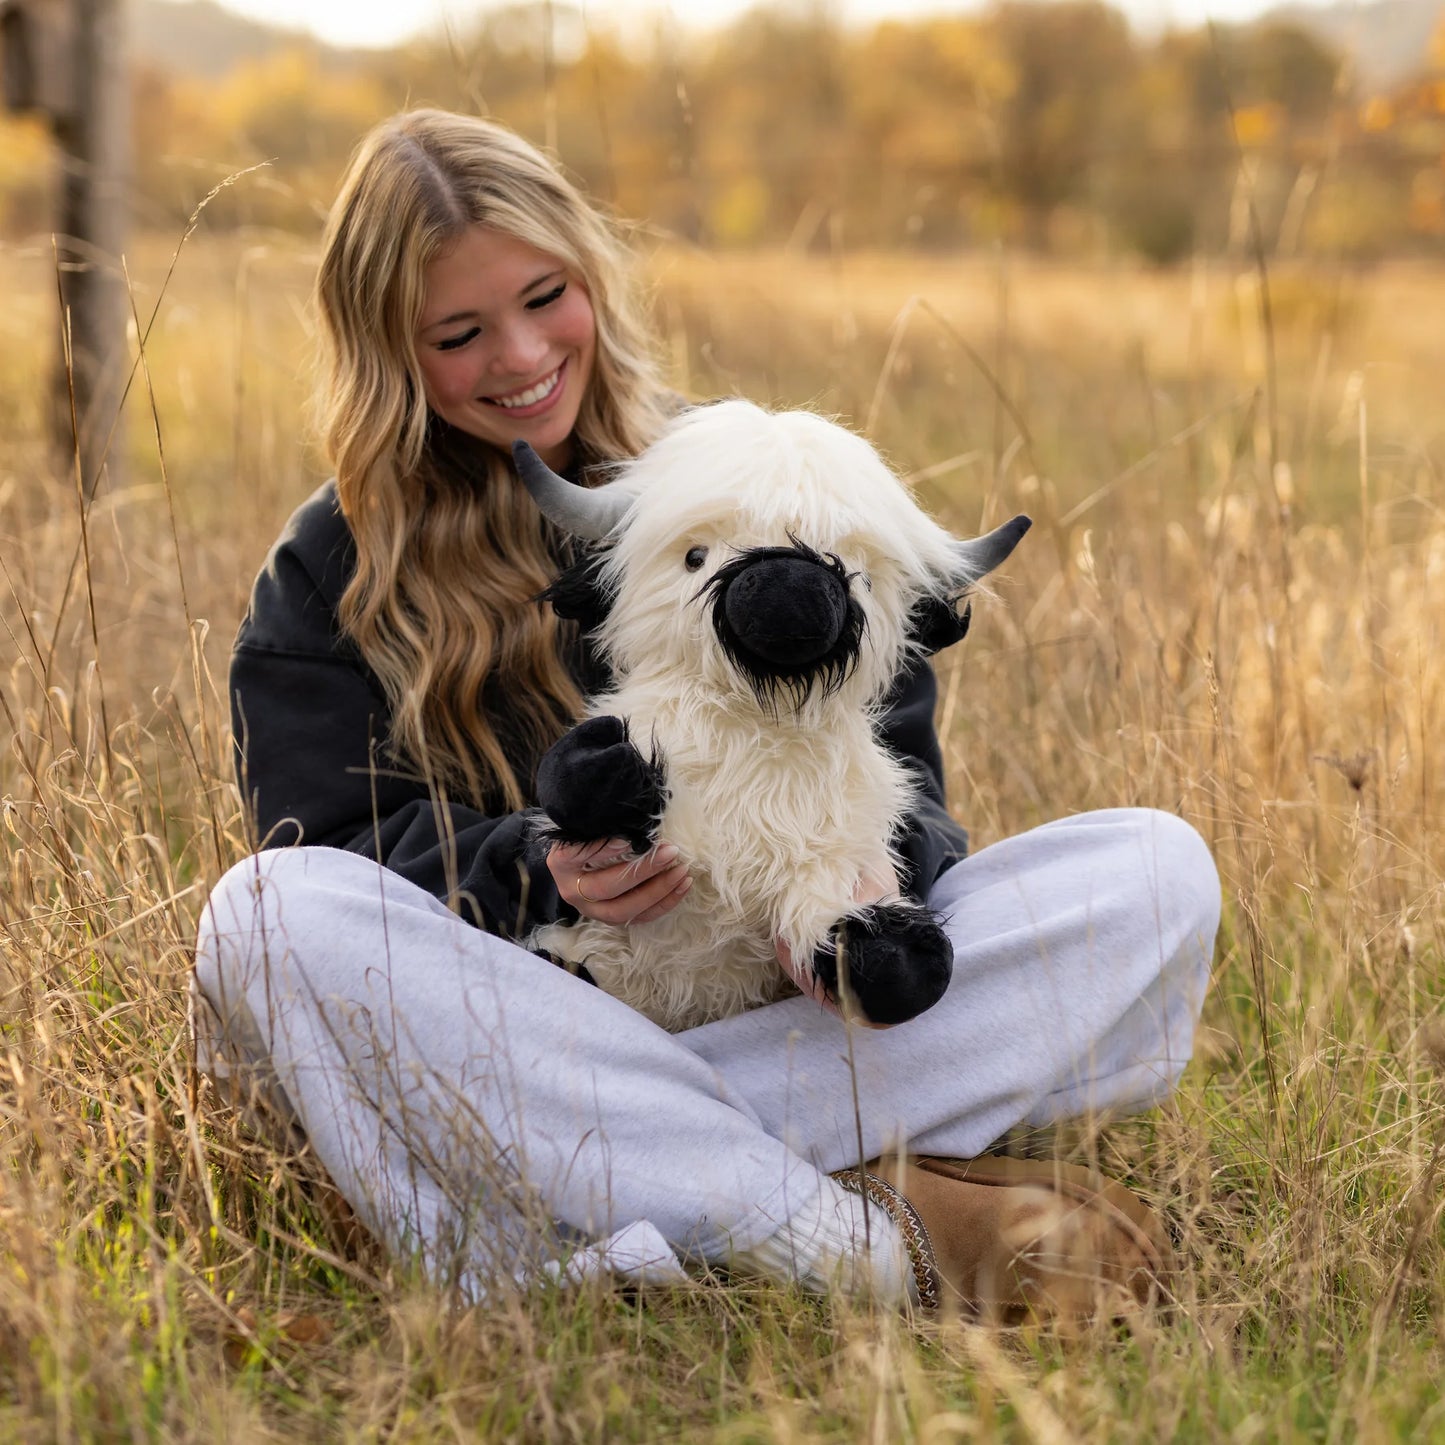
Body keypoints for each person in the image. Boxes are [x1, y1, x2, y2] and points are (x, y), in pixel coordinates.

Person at [193, 108, 1221, 1316]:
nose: (521, 355)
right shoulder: (331, 567)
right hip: (525, 1008)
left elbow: (902, 785)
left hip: (751, 1013)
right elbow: (328, 846)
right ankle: (860, 1240)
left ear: (590, 277)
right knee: (260, 915)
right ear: (387, 353)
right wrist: (539, 868)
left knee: (1154, 872)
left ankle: (580, 1210)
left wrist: (851, 897)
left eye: (545, 296)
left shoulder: (757, 476)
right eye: (459, 333)